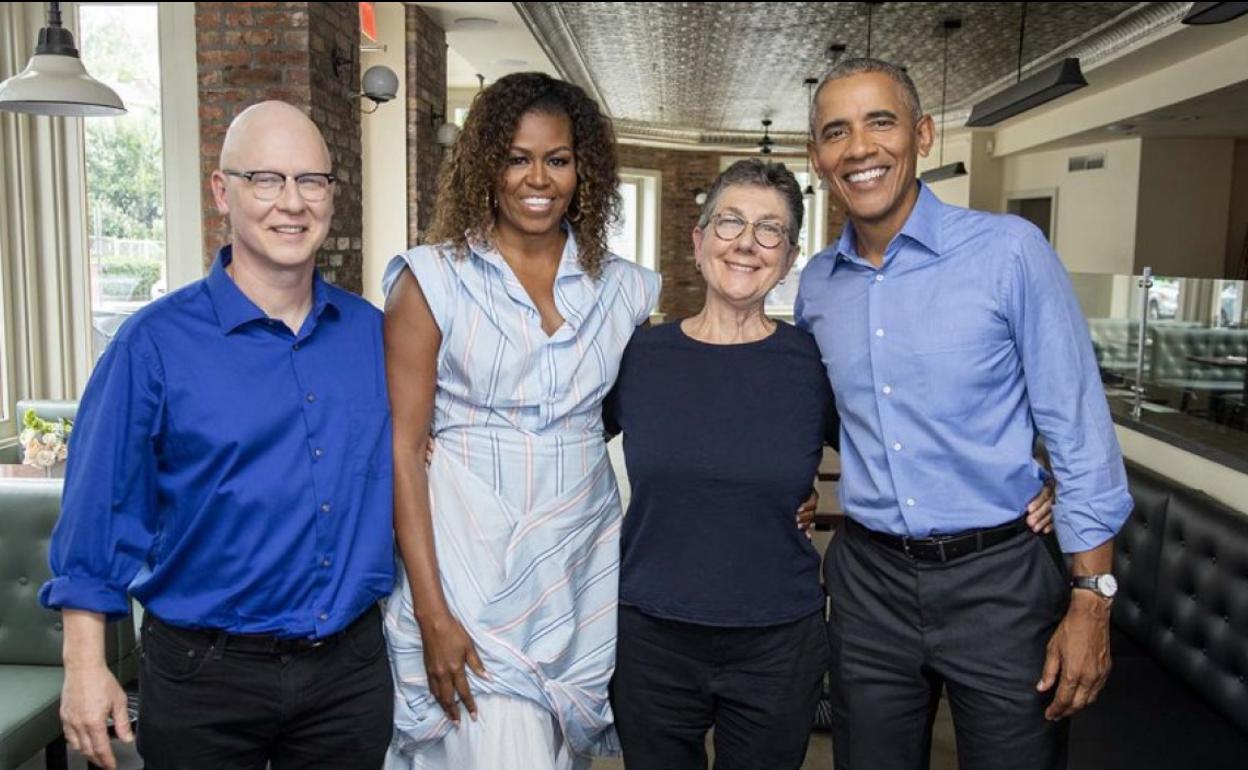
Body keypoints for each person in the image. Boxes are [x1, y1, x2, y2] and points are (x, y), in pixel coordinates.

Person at [605, 159, 1056, 770]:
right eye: (729, 221)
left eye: (770, 230)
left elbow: (895, 447)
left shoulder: (812, 364)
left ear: (790, 258)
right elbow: (557, 448)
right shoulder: (638, 356)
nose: (746, 242)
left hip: (777, 644)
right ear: (699, 238)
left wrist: (1027, 478)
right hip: (649, 637)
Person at [797, 58, 1133, 770]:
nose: (859, 147)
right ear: (817, 156)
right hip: (869, 584)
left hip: (1001, 583)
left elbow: (1077, 426)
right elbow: (836, 421)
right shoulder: (817, 288)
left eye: (879, 122)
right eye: (836, 131)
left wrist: (1091, 596)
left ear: (922, 134)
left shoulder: (1010, 253)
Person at [40, 101, 395, 770]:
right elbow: (97, 515)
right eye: (266, 179)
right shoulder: (152, 345)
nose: (291, 202)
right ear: (221, 191)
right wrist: (84, 667)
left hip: (348, 675)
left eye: (311, 181)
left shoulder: (374, 337)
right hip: (205, 676)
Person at [380, 72, 660, 770]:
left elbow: (656, 424)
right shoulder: (430, 280)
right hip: (465, 557)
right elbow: (402, 448)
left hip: (578, 558)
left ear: (583, 167)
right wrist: (431, 612)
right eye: (516, 157)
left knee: (551, 746)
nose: (539, 178)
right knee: (495, 742)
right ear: (487, 164)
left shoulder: (624, 290)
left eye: (557, 159)